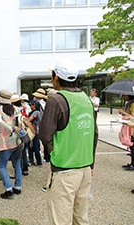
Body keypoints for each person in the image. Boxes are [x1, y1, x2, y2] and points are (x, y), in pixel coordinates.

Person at [40, 58, 98, 225]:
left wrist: (53, 152)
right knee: (80, 217)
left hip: (64, 168)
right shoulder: (86, 99)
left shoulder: (56, 99)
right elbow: (94, 133)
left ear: (56, 77)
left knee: (60, 219)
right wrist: (91, 163)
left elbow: (44, 135)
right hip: (85, 167)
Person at [0, 89, 23, 199]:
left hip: (6, 143)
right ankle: (18, 187)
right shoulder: (16, 109)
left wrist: (8, 129)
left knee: (2, 166)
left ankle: (8, 189)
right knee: (17, 163)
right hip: (18, 141)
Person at [119, 94, 134, 171]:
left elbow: (132, 116)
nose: (124, 96)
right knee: (131, 147)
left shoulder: (133, 104)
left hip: (132, 128)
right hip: (129, 126)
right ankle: (132, 163)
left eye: (125, 95)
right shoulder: (129, 104)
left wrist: (124, 113)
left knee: (133, 146)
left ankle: (133, 164)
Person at [28, 100, 43, 166]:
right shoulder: (38, 112)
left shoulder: (36, 112)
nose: (30, 106)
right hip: (34, 131)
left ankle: (37, 161)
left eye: (31, 105)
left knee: (34, 147)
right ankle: (34, 160)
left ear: (34, 105)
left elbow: (29, 120)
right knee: (32, 146)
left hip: (34, 132)